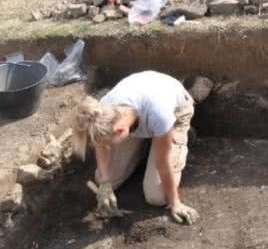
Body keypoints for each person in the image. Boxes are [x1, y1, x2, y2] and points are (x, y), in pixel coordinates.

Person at [71, 71, 199, 225]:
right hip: (140, 114)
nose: (107, 147)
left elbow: (162, 164)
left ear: (120, 131)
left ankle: (176, 137)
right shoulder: (102, 113)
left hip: (175, 111)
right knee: (103, 179)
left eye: (109, 144)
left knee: (157, 197)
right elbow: (101, 144)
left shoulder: (160, 114)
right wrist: (105, 182)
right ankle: (150, 143)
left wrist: (175, 203)